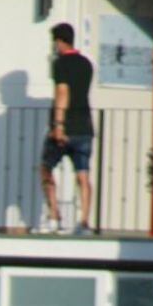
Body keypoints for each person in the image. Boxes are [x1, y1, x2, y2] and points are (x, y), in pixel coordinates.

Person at [32, 22, 94, 236]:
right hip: (85, 126)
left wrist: (58, 125)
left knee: (46, 168)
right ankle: (84, 221)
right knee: (83, 175)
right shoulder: (87, 64)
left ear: (59, 41)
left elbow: (62, 92)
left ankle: (54, 217)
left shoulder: (60, 64)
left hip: (65, 127)